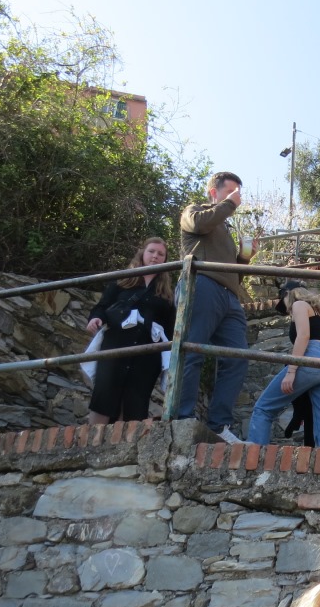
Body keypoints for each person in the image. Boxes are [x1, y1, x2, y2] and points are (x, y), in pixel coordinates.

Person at [177, 171, 255, 444]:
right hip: (203, 285)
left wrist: (244, 259)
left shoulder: (224, 228)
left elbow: (233, 274)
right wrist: (230, 205)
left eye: (238, 194)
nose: (237, 198)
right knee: (192, 351)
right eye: (232, 192)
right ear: (214, 192)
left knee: (237, 357)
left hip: (229, 296)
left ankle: (219, 426)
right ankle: (182, 418)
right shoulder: (195, 211)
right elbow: (198, 224)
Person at [85, 238, 175, 425]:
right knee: (104, 395)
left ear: (165, 260)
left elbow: (170, 327)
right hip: (116, 346)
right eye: (151, 251)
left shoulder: (166, 294)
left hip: (147, 354)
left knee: (135, 400)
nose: (155, 256)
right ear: (142, 253)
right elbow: (102, 307)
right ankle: (91, 443)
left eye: (160, 254)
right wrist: (95, 319)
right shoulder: (122, 283)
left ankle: (121, 449)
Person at [248, 281, 320, 449]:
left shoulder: (299, 304)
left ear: (288, 294)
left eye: (283, 303)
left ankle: (253, 460)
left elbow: (303, 336)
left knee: (263, 408)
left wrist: (292, 370)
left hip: (311, 358)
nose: (286, 310)